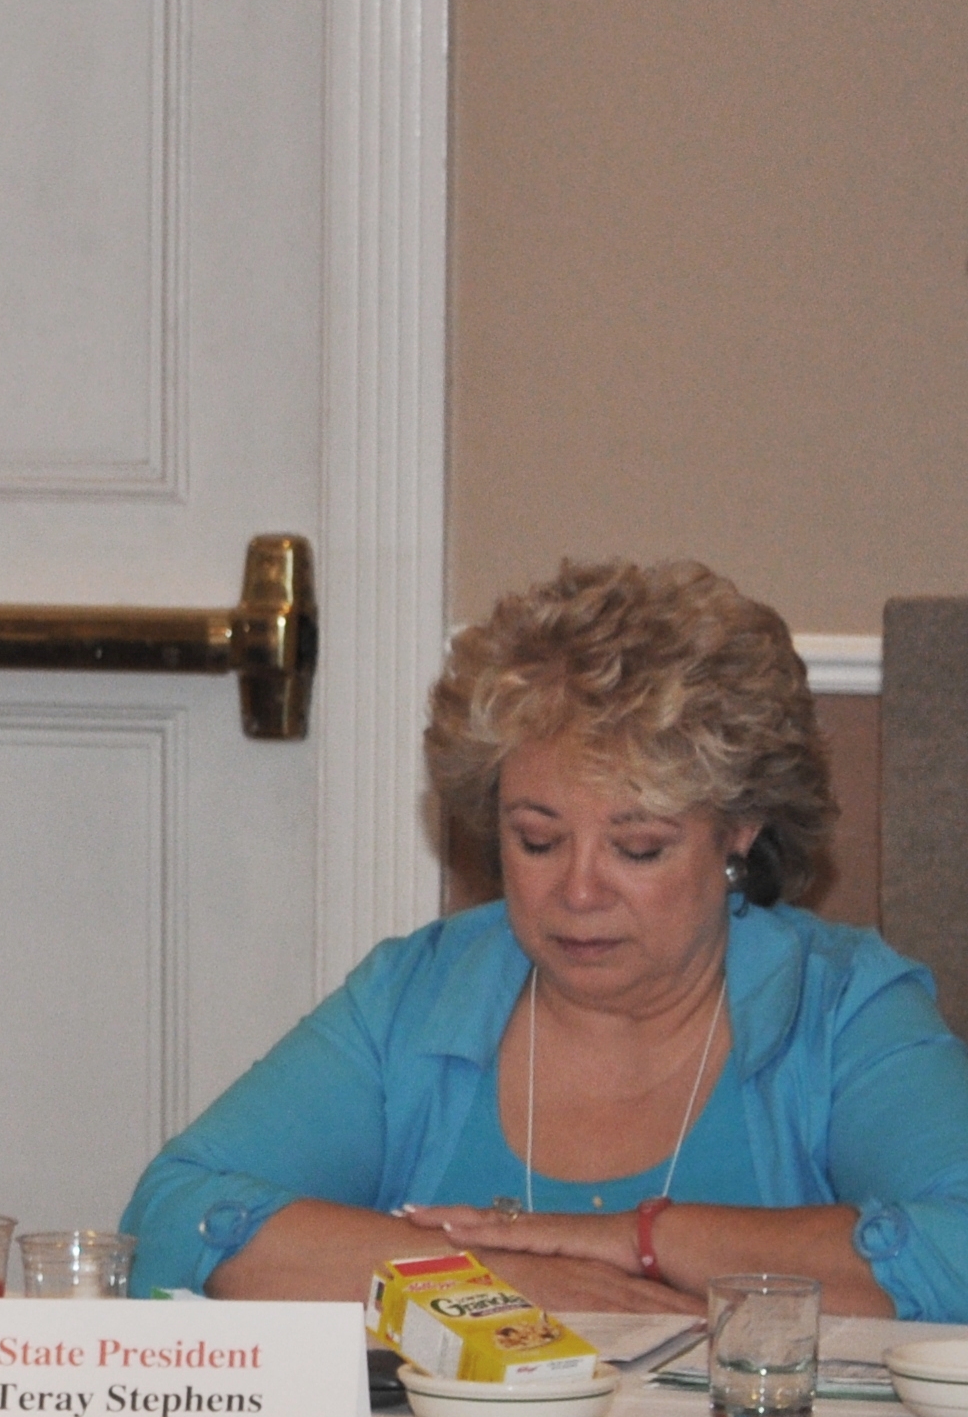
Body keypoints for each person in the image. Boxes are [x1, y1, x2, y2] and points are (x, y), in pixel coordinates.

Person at [127, 558, 968, 1317]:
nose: (578, 891)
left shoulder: (841, 1007)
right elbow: (171, 1218)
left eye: (639, 848)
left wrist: (638, 1241)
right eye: (537, 840)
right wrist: (499, 1281)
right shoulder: (416, 999)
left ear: (739, 829)